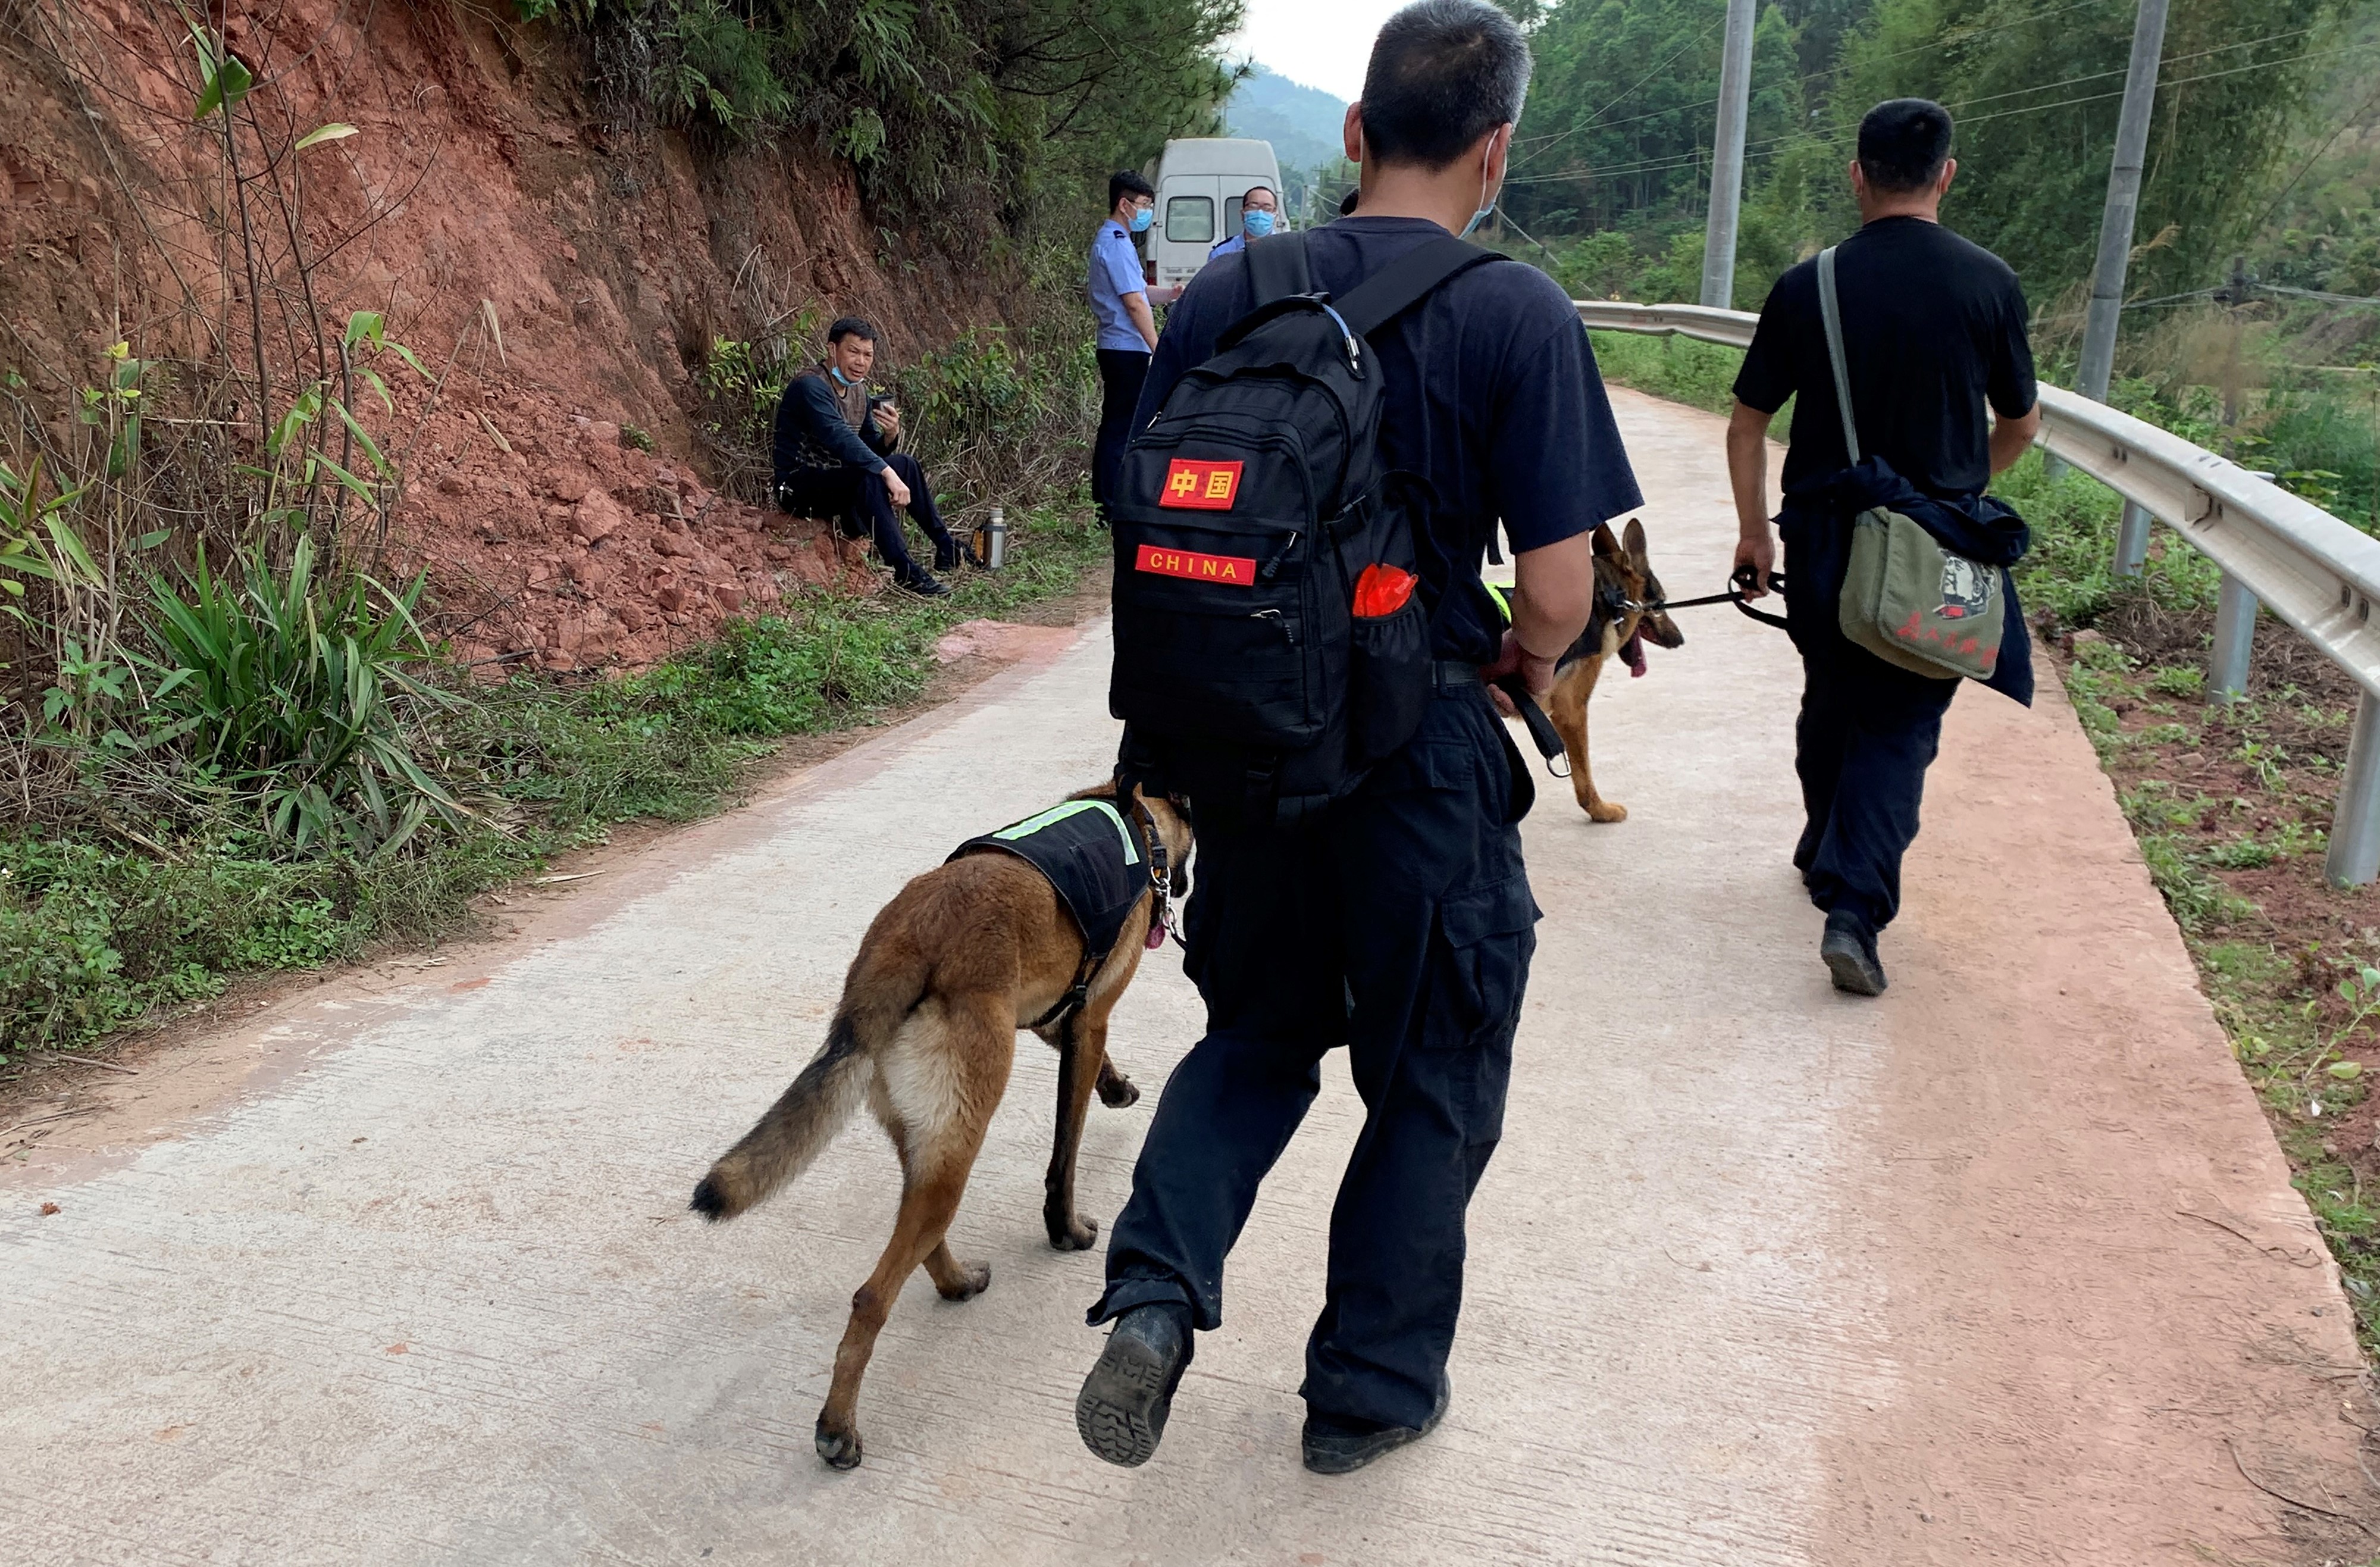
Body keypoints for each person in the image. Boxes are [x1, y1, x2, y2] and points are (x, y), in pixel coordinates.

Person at [1073, 0, 1638, 1477]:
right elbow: (1561, 590)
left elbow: (1146, 510)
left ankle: (1153, 1291)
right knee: (1432, 1068)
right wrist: (1519, 662)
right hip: (1419, 756)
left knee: (1255, 1034)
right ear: (1495, 150)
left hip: (1247, 750)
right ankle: (1367, 1390)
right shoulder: (1515, 312)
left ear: (1351, 131)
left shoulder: (1229, 288)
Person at [1728, 98, 2041, 995]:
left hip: (1824, 538)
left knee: (1832, 691)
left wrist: (1752, 532)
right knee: (1900, 722)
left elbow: (1747, 423)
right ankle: (1855, 910)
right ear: (1947, 175)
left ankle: (1824, 843)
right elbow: (2020, 423)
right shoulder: (1988, 283)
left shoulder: (1809, 285)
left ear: (1857, 176)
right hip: (1934, 547)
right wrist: (1955, 491)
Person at [772, 317, 960, 598]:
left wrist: (890, 435)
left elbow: (870, 448)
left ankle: (946, 546)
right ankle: (905, 570)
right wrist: (886, 473)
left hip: (839, 482)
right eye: (853, 352)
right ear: (832, 349)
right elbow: (839, 438)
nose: (861, 362)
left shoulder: (858, 390)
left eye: (868, 355)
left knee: (905, 464)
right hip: (796, 485)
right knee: (870, 475)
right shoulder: (810, 386)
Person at [1089, 171, 1159, 521]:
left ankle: (1112, 500)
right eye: (1144, 205)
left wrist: (1172, 294)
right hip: (1125, 348)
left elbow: (1141, 292)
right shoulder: (1115, 243)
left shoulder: (1120, 242)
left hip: (1122, 346)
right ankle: (1109, 505)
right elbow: (1133, 303)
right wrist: (1157, 346)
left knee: (1121, 425)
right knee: (1120, 428)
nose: (1147, 212)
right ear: (1124, 204)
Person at [1204, 183, 1280, 262]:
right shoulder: (1221, 253)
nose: (1260, 213)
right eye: (1253, 207)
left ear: (1275, 215)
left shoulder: (1285, 250)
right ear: (1242, 214)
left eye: (1267, 208)